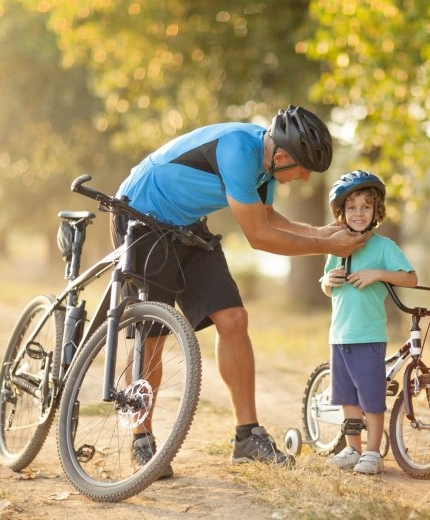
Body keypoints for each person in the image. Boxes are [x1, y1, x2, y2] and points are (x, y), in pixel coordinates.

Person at [110, 105, 369, 476]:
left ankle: (247, 437)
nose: (305, 176)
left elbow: (268, 217)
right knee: (153, 335)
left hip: (184, 224)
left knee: (233, 318)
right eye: (302, 168)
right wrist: (329, 247)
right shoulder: (237, 150)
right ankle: (141, 437)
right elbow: (259, 237)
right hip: (140, 216)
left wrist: (323, 233)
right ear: (282, 156)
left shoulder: (267, 164)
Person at [319, 170, 418, 475]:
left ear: (377, 211)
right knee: (347, 397)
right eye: (351, 207)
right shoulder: (338, 246)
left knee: (371, 397)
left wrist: (377, 273)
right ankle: (353, 448)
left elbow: (411, 279)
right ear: (341, 212)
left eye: (365, 206)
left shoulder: (384, 247)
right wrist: (328, 279)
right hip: (339, 335)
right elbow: (325, 285)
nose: (358, 213)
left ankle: (373, 453)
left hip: (368, 334)